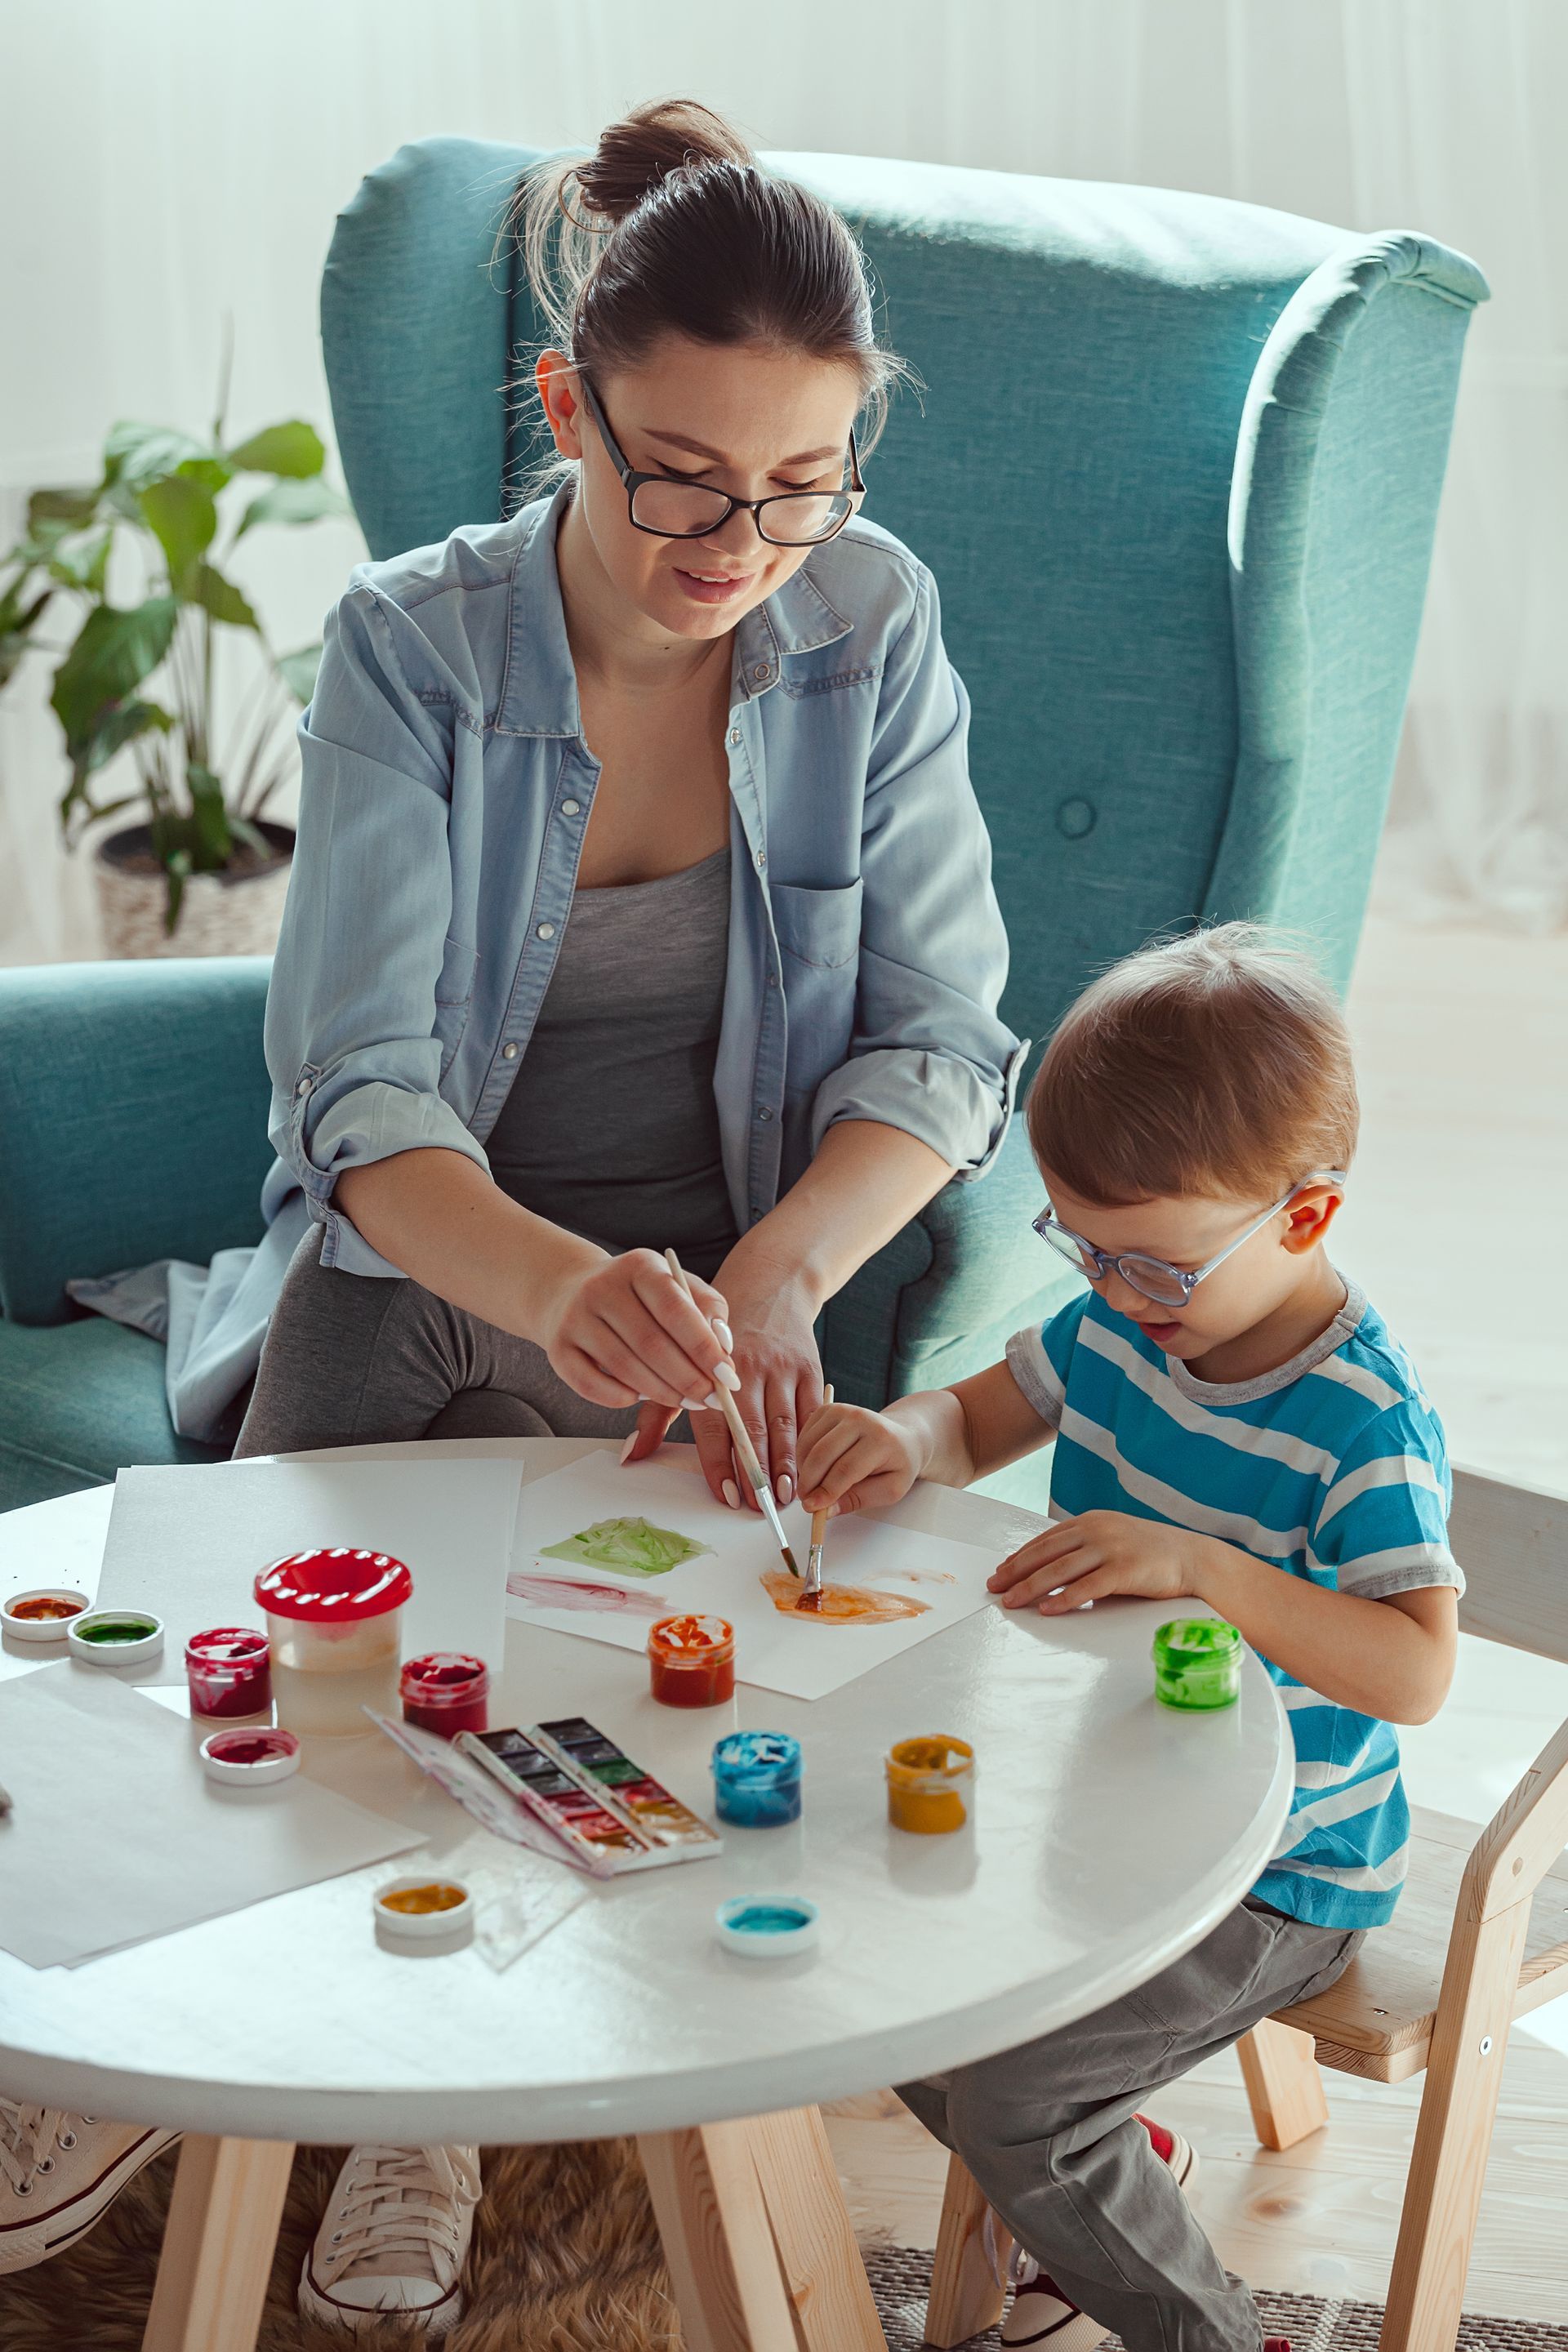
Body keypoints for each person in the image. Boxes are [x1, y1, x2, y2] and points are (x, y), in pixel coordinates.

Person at [0, 101, 1020, 2334]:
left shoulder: (877, 627)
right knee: (319, 1622)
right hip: (435, 1258)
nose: (739, 539)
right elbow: (357, 1107)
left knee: (615, 1674)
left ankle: (432, 2105)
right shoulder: (411, 649)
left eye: (800, 484)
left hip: (725, 1293)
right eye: (678, 474)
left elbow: (947, 1049)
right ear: (568, 408)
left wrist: (773, 1276)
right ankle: (168, 2012)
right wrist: (571, 1289)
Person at [795, 924, 1461, 2352]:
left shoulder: (1360, 1424)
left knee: (1014, 2101)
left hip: (1284, 1866)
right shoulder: (1122, 1322)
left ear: (1304, 1216)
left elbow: (1416, 1671)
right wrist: (894, 1437)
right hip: (1099, 1806)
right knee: (866, 1990)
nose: (1109, 1290)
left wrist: (1209, 1569)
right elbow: (974, 1416)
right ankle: (1095, 2174)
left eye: (1151, 1262)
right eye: (1078, 1245)